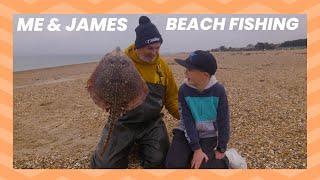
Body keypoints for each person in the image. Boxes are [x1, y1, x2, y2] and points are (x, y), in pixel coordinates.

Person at [91, 16, 179, 168]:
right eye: (149, 48)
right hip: (123, 121)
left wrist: (188, 118)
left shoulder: (162, 67)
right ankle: (126, 144)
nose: (154, 53)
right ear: (138, 46)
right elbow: (97, 82)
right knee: (104, 165)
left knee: (160, 161)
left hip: (152, 122)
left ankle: (140, 144)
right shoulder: (122, 62)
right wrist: (104, 101)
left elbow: (171, 98)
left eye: (157, 48)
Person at [165, 50, 230, 169]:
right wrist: (197, 149)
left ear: (205, 75)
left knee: (202, 168)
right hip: (186, 133)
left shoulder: (219, 91)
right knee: (173, 165)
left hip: (209, 135)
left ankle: (224, 161)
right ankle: (191, 153)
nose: (185, 73)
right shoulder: (184, 90)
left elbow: (223, 121)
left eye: (189, 70)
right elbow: (187, 120)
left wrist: (221, 147)